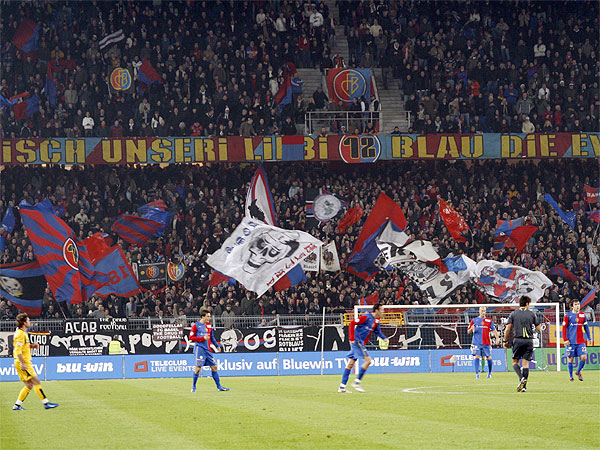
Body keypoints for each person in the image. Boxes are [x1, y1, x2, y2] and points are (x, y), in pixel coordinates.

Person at [12, 313, 59, 410]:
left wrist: (32, 346)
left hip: (22, 361)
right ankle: (46, 403)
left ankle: (17, 405)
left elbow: (22, 346)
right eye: (28, 320)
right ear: (24, 322)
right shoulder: (20, 334)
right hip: (23, 362)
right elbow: (18, 350)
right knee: (36, 381)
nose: (30, 322)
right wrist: (22, 363)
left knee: (29, 385)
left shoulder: (21, 333)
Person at [338, 303, 388, 393]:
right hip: (357, 341)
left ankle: (342, 387)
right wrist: (352, 338)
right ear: (376, 310)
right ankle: (357, 383)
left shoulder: (376, 320)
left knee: (350, 364)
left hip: (360, 342)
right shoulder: (366, 317)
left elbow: (377, 331)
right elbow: (352, 323)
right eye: (381, 310)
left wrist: (384, 338)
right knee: (368, 361)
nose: (383, 311)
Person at [503, 296, 542, 392]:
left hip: (518, 340)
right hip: (529, 341)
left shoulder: (513, 314)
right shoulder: (531, 314)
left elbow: (507, 329)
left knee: (514, 362)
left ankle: (521, 378)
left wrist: (505, 341)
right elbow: (539, 328)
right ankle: (524, 387)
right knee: (525, 364)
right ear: (527, 303)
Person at [189, 310, 230, 392]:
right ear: (203, 317)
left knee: (214, 367)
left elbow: (211, 337)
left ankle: (219, 387)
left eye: (209, 316)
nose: (209, 318)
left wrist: (217, 346)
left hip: (207, 350)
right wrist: (202, 338)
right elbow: (191, 337)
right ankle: (193, 387)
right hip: (200, 349)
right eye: (208, 316)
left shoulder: (209, 325)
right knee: (198, 368)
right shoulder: (196, 325)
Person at [562, 299, 591, 381]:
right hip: (570, 342)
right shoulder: (567, 316)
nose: (578, 306)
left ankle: (578, 372)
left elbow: (586, 327)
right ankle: (571, 377)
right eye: (575, 304)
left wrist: (589, 337)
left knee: (584, 357)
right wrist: (565, 339)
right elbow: (563, 328)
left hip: (580, 341)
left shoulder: (582, 315)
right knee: (570, 359)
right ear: (572, 306)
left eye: (578, 304)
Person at [467, 306, 499, 379]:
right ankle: (477, 374)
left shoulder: (489, 320)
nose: (483, 312)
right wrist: (471, 329)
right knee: (477, 356)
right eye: (482, 311)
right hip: (477, 342)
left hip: (486, 342)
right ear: (479, 311)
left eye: (484, 311)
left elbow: (494, 330)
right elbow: (468, 331)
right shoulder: (474, 320)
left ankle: (490, 373)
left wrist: (497, 338)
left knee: (488, 357)